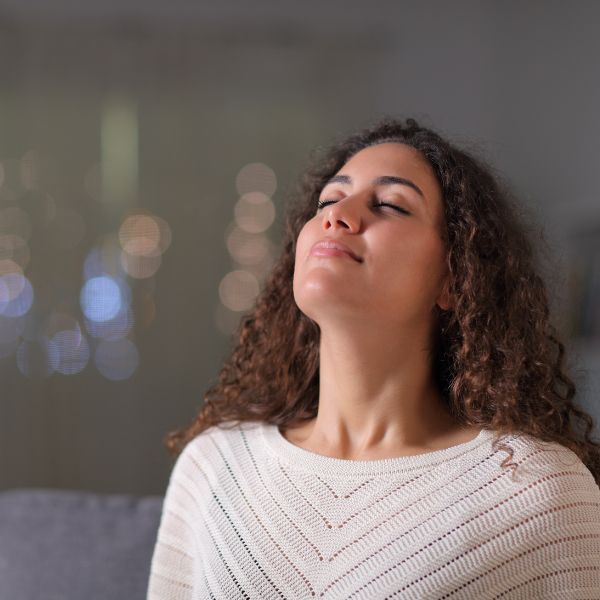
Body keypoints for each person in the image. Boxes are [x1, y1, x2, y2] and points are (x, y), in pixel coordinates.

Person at [146, 117, 600, 599]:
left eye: (389, 205)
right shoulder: (215, 465)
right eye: (328, 199)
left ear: (455, 277)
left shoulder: (533, 487)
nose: (338, 215)